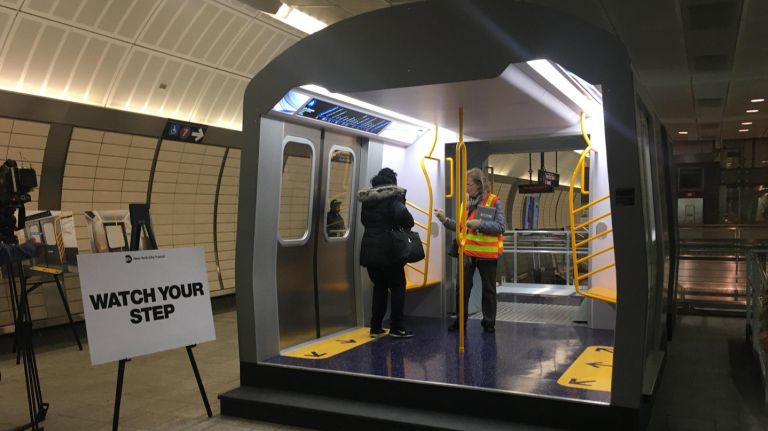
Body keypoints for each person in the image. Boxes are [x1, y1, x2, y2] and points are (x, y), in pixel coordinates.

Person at [436, 168, 505, 333]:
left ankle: (489, 322)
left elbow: (500, 227)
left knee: (488, 289)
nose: (466, 188)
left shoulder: (493, 201)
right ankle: (460, 321)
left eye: (468, 184)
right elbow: (462, 227)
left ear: (479, 185)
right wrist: (445, 220)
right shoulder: (465, 203)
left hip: (487, 255)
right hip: (467, 253)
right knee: (462, 289)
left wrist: (480, 225)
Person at [358, 167, 415, 338]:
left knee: (380, 287)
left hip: (370, 251)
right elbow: (407, 221)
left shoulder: (368, 200)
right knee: (397, 287)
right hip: (389, 251)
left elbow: (364, 221)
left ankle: (375, 327)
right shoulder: (393, 199)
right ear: (392, 183)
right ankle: (397, 327)